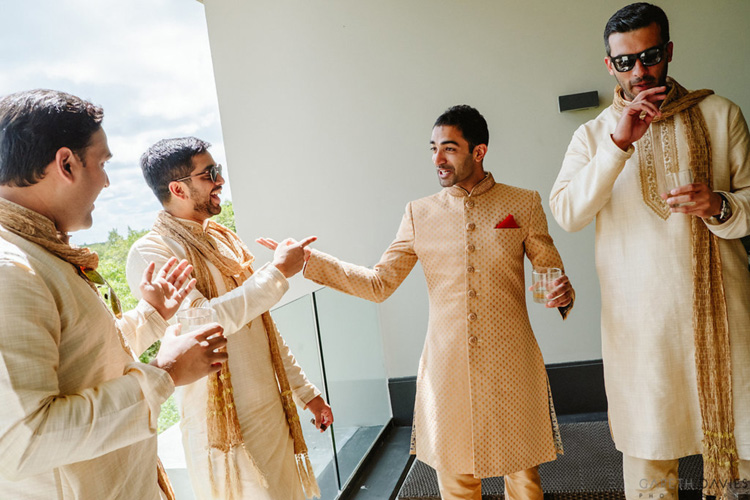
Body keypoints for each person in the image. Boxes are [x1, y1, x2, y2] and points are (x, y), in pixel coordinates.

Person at [261, 105, 574, 500]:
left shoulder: (523, 203)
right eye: (433, 149)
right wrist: (311, 263)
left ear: (479, 151)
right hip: (447, 367)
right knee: (457, 484)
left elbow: (550, 276)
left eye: (449, 148)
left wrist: (559, 293)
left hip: (513, 362)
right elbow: (379, 283)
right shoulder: (419, 214)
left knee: (524, 482)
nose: (437, 160)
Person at [549, 3, 750, 498]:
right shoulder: (593, 135)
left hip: (721, 319)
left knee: (738, 453)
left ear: (669, 52)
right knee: (650, 462)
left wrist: (719, 205)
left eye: (651, 55)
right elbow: (568, 212)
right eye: (625, 61)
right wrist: (617, 145)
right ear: (610, 65)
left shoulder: (721, 115)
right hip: (640, 329)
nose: (640, 71)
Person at [0, 89, 229, 500]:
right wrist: (165, 374)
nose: (106, 181)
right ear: (66, 163)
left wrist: (151, 314)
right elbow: (23, 442)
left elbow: (83, 361)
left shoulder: (37, 253)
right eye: (102, 163)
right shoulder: (9, 270)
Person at [126, 137, 333, 500]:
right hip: (223, 429)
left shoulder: (223, 239)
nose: (220, 181)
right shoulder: (152, 251)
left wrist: (306, 394)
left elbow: (263, 326)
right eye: (210, 174)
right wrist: (277, 273)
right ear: (178, 188)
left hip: (269, 411)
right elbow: (203, 321)